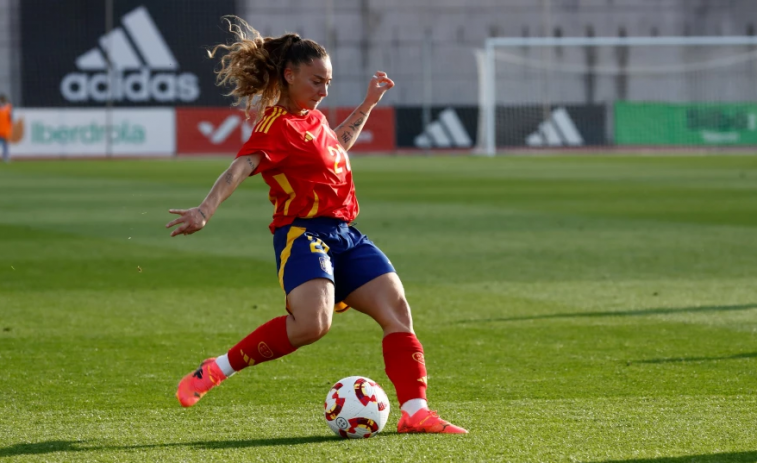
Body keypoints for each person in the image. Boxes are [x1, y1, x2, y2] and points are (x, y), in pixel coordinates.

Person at [166, 18, 467, 435]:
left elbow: (337, 145)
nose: (324, 90)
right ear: (289, 76)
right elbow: (241, 167)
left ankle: (415, 411)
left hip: (347, 234)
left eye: (328, 82)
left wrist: (368, 104)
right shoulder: (276, 125)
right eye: (316, 81)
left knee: (398, 312)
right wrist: (205, 209)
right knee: (311, 325)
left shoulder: (315, 119)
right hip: (302, 233)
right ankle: (216, 369)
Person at [0, 95, 12, 163]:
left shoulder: (8, 108)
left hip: (5, 129)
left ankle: (6, 156)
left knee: (6, 144)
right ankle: (6, 156)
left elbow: (10, 119)